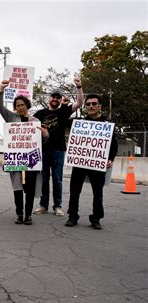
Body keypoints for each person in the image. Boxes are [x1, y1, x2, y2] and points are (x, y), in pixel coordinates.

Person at [0, 81, 49, 225]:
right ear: (15, 107)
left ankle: (28, 215)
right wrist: (1, 91)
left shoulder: (36, 121)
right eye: (17, 105)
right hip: (16, 160)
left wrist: (45, 135)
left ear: (27, 105)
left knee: (30, 189)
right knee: (17, 188)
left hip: (31, 160)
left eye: (22, 104)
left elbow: (42, 143)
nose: (20, 107)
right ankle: (19, 214)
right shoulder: (11, 118)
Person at [65, 94, 118, 230]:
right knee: (74, 191)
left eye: (94, 104)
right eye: (88, 104)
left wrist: (110, 159)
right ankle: (72, 216)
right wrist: (65, 106)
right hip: (80, 163)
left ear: (100, 106)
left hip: (97, 164)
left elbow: (113, 145)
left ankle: (96, 218)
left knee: (98, 193)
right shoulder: (78, 123)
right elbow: (62, 119)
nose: (91, 106)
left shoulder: (107, 126)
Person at [33, 76, 84, 217]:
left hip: (58, 150)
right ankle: (43, 205)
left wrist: (79, 87)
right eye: (53, 97)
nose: (55, 99)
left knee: (57, 179)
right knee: (43, 179)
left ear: (60, 100)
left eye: (58, 98)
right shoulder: (40, 113)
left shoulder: (64, 112)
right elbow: (27, 125)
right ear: (49, 98)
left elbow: (80, 102)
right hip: (42, 151)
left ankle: (57, 206)